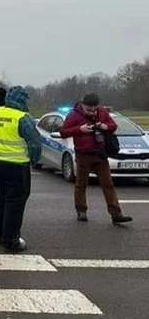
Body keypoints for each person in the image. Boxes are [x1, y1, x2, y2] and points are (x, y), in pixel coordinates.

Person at [60, 92, 132, 224]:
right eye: (89, 108)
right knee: (81, 184)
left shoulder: (102, 112)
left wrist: (106, 127)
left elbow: (113, 126)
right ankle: (81, 211)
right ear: (83, 104)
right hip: (83, 155)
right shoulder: (73, 115)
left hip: (100, 154)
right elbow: (63, 132)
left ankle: (116, 214)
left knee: (108, 184)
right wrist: (80, 129)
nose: (92, 110)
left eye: (94, 107)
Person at [0, 85, 41, 252]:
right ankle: (11, 239)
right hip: (18, 166)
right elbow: (34, 145)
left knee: (2, 199)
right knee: (15, 203)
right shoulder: (23, 118)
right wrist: (33, 161)